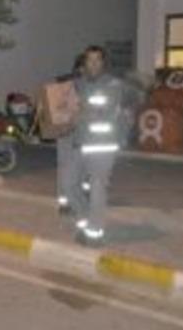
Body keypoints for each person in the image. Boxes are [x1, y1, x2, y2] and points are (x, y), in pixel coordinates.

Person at [71, 45, 125, 247]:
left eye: (97, 60)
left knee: (97, 187)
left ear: (103, 63)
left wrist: (78, 108)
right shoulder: (79, 83)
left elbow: (105, 109)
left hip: (103, 145)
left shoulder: (113, 84)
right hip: (81, 143)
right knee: (70, 186)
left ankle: (94, 232)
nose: (93, 63)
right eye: (89, 60)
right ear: (84, 63)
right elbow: (64, 106)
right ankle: (86, 220)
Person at [55, 53, 85, 216]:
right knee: (75, 168)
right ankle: (70, 201)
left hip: (63, 130)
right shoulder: (79, 85)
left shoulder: (63, 83)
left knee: (65, 167)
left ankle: (64, 201)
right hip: (73, 131)